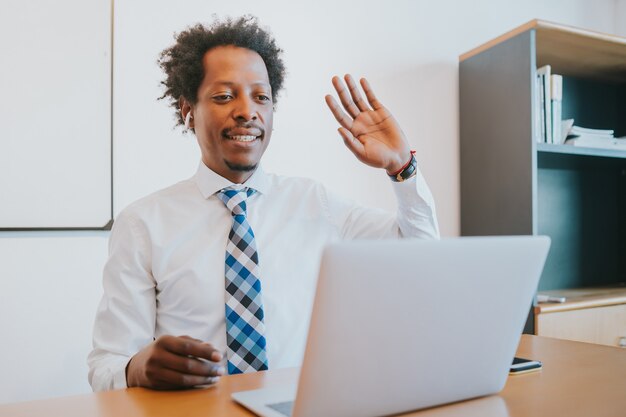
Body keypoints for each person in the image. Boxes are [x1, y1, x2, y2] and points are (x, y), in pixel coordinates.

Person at [88, 15, 439, 392]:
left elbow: (421, 258)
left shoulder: (315, 203)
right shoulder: (142, 223)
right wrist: (136, 369)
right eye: (224, 96)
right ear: (187, 110)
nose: (247, 111)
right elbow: (106, 364)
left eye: (261, 97)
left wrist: (402, 167)